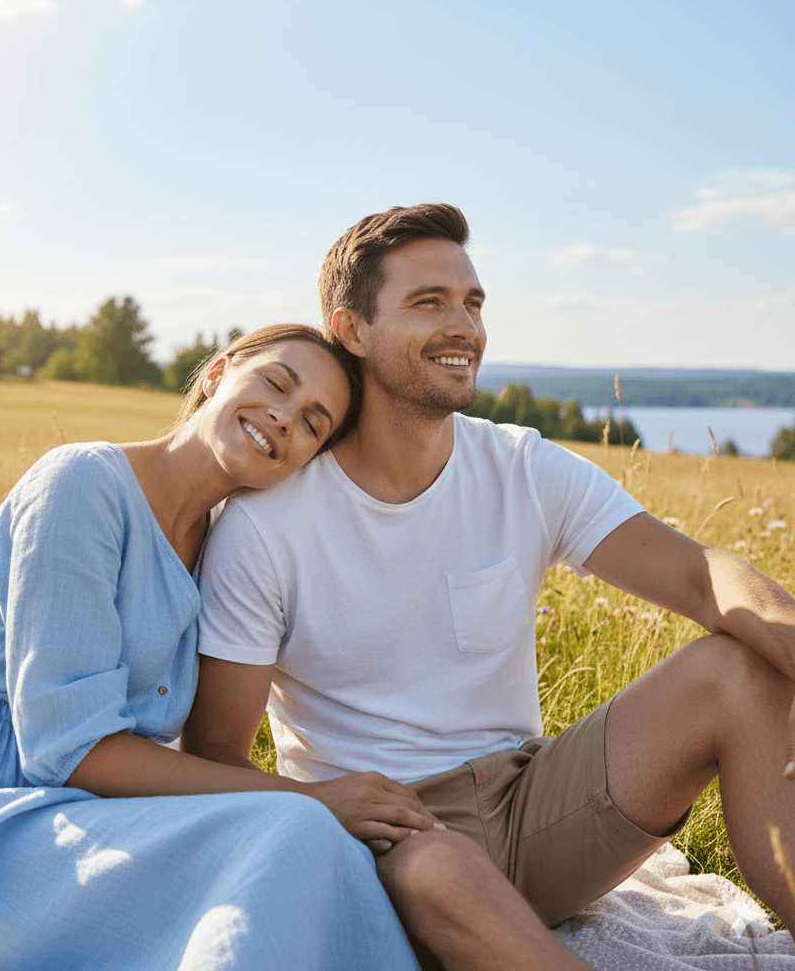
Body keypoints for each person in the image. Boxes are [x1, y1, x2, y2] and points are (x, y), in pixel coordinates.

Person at [187, 206, 795, 971]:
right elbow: (216, 751)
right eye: (429, 302)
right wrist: (326, 809)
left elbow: (704, 575)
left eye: (472, 303)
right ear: (349, 328)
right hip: (382, 837)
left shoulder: (521, 467)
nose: (463, 327)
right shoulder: (267, 526)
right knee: (437, 867)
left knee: (734, 669)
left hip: (533, 802)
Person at [0, 324, 440, 971]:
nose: (283, 417)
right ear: (217, 374)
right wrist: (314, 796)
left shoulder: (225, 548)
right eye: (276, 383)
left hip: (87, 817)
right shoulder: (82, 484)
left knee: (322, 848)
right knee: (297, 827)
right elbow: (68, 750)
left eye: (313, 423)